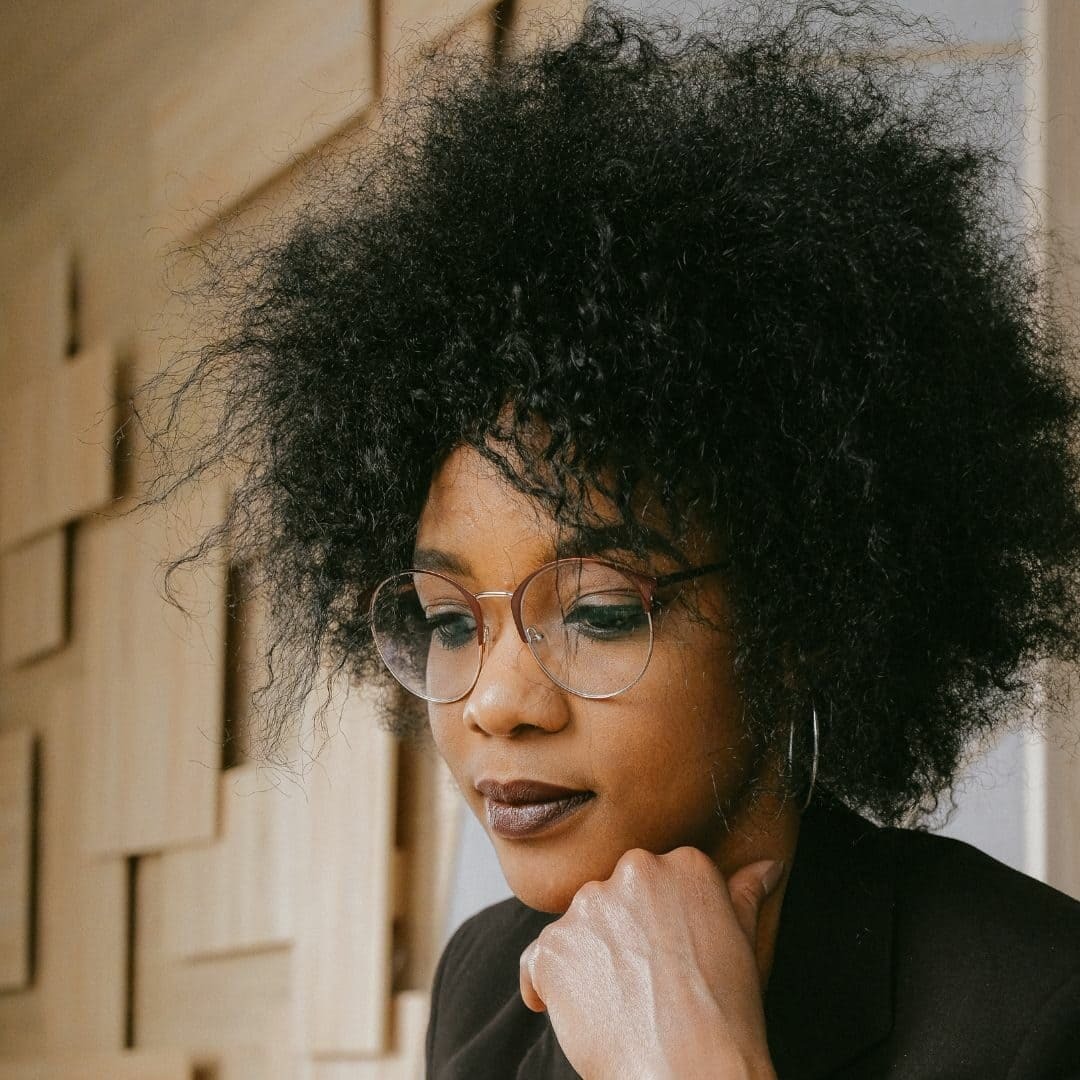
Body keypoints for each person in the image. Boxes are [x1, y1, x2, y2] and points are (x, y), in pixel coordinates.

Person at [142, 1, 1080, 1075]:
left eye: (596, 612)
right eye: (449, 622)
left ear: (796, 625)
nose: (495, 703)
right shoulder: (489, 977)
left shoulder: (1040, 1013)